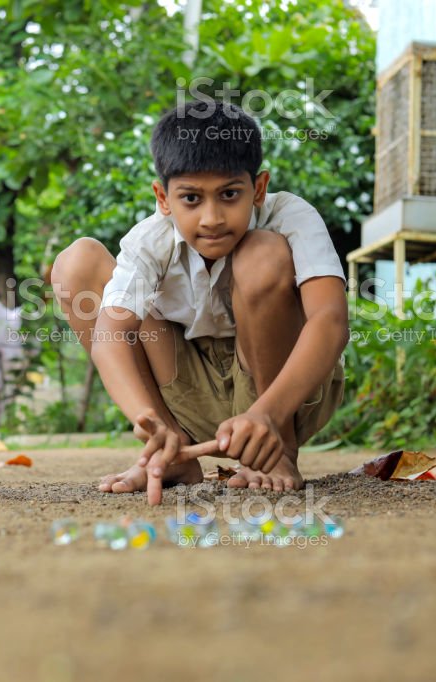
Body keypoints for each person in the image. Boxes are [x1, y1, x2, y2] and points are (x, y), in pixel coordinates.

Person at [50, 100, 348, 505]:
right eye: (192, 198)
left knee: (261, 253)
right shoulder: (150, 240)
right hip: (189, 394)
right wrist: (152, 424)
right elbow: (110, 336)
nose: (211, 217)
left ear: (258, 189)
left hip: (285, 397)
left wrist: (269, 416)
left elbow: (329, 320)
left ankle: (278, 449)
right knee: (76, 264)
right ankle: (173, 453)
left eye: (229, 194)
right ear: (163, 198)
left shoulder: (290, 215)